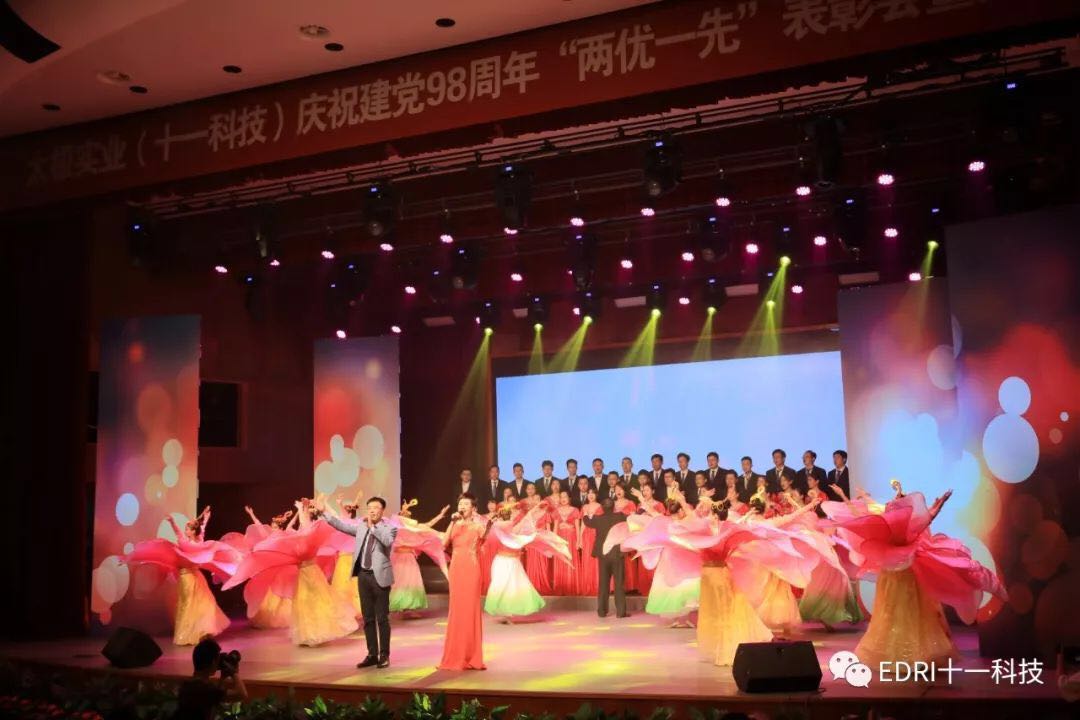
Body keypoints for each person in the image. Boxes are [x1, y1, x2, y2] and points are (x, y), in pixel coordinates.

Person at [822, 481, 1006, 666]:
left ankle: (915, 653)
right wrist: (848, 497)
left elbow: (926, 518)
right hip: (893, 574)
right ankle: (901, 652)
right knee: (893, 611)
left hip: (905, 573)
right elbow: (861, 515)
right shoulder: (886, 519)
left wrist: (939, 504)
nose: (896, 500)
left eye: (900, 499)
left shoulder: (907, 521)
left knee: (908, 610)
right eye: (896, 499)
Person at [124, 507, 239, 646]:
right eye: (185, 529)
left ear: (193, 531)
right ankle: (187, 634)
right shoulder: (185, 543)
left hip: (196, 576)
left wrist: (205, 518)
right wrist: (173, 522)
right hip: (186, 577)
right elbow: (182, 532)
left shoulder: (198, 542)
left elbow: (201, 530)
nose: (185, 531)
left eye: (187, 529)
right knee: (188, 604)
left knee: (204, 602)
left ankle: (201, 631)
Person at [323, 496, 398, 668]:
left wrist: (373, 527)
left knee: (382, 618)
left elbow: (387, 541)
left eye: (375, 507)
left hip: (380, 577)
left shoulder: (390, 528)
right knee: (368, 618)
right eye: (369, 507)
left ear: (382, 510)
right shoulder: (362, 527)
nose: (372, 510)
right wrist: (323, 513)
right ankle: (372, 654)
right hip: (363, 576)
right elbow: (342, 526)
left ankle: (384, 655)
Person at [438, 493, 490, 670]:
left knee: (470, 610)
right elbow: (444, 543)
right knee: (456, 610)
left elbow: (486, 536)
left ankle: (471, 655)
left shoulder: (477, 526)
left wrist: (490, 525)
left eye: (466, 504)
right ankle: (455, 654)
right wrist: (452, 522)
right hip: (456, 569)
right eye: (460, 503)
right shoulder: (454, 524)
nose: (462, 506)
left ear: (473, 508)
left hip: (471, 569)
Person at [388, 501, 449, 617]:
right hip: (399, 560)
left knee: (411, 582)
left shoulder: (414, 530)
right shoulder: (395, 528)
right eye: (403, 514)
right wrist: (403, 510)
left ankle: (410, 608)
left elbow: (428, 525)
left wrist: (440, 515)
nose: (406, 516)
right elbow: (394, 520)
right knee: (400, 583)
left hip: (409, 558)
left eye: (408, 515)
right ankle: (402, 608)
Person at [174, 638, 248, 720]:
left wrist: (222, 678)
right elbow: (242, 694)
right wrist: (234, 672)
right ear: (213, 662)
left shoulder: (187, 685)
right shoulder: (205, 688)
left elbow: (213, 703)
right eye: (218, 659)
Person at [583, 497, 628, 618]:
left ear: (602, 508)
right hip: (617, 554)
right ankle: (621, 612)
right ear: (614, 507)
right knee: (619, 583)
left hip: (603, 555)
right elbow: (632, 519)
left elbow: (587, 522)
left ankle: (602, 611)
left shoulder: (598, 519)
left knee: (603, 583)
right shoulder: (620, 516)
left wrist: (585, 513)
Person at [551, 491, 581, 595]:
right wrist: (554, 541)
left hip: (571, 539)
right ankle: (561, 586)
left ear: (569, 498)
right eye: (561, 497)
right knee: (561, 559)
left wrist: (579, 540)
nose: (563, 499)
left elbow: (577, 526)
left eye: (565, 497)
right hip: (560, 538)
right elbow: (555, 528)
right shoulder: (556, 511)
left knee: (570, 559)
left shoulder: (575, 510)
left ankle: (571, 585)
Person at [577, 487, 602, 597]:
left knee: (596, 560)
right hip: (586, 536)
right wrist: (579, 538)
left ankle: (598, 586)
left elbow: (602, 523)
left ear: (596, 495)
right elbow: (583, 524)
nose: (591, 495)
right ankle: (588, 586)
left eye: (593, 493)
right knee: (587, 559)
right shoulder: (584, 507)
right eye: (589, 493)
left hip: (596, 534)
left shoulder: (600, 506)